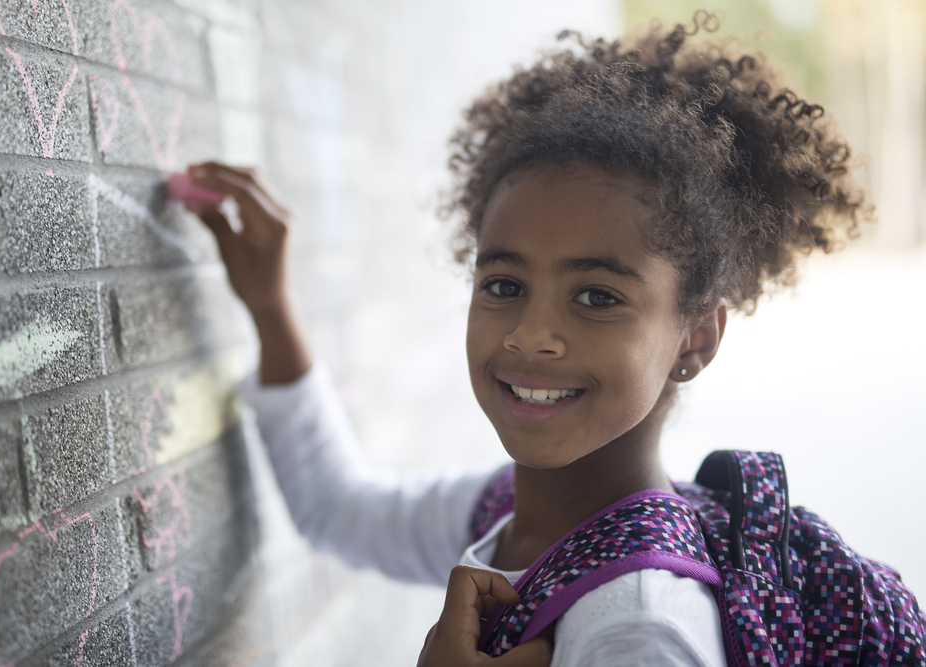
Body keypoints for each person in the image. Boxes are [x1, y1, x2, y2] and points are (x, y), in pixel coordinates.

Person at [184, 13, 917, 667]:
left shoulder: (641, 628)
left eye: (597, 297)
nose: (533, 335)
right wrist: (269, 306)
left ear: (696, 337)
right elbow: (341, 510)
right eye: (504, 284)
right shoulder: (508, 513)